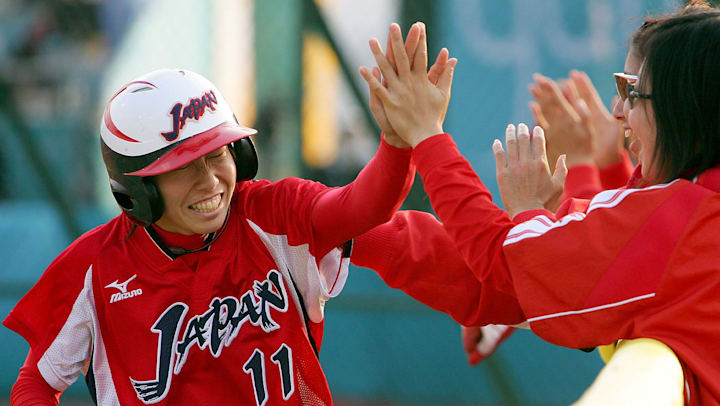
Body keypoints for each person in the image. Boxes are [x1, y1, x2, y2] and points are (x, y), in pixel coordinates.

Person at [2, 25, 457, 403]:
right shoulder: (95, 267)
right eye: (182, 167)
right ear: (136, 192)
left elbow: (364, 208)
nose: (212, 180)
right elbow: (37, 382)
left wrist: (398, 143)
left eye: (219, 153)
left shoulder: (271, 215)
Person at [364, 5, 720, 404]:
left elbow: (508, 262)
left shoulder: (686, 216)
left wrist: (428, 137)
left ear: (685, 108)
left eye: (632, 92)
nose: (618, 111)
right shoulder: (695, 205)